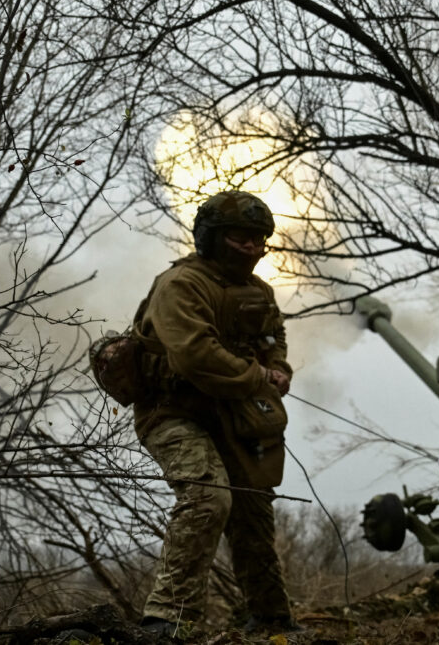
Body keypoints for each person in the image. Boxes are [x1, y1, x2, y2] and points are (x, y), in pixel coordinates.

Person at [132, 190, 300, 637]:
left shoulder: (258, 291)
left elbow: (273, 337)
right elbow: (195, 355)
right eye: (240, 238)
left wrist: (279, 367)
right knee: (208, 497)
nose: (250, 248)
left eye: (257, 239)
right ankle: (167, 621)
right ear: (212, 237)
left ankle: (269, 618)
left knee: (253, 508)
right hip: (173, 413)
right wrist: (259, 376)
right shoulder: (181, 285)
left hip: (235, 415)